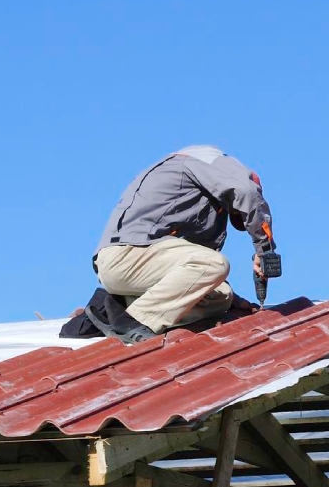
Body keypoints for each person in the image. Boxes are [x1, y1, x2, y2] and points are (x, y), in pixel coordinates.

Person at [87, 145, 276, 344]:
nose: (234, 213)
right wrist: (264, 250)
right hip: (126, 255)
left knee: (221, 295)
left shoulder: (197, 193)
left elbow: (190, 274)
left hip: (137, 265)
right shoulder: (213, 162)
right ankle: (131, 321)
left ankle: (118, 306)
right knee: (214, 264)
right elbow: (247, 193)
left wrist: (236, 302)